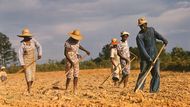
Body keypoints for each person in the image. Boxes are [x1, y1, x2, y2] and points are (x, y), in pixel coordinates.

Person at [134, 17, 168, 93]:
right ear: (139, 26)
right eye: (140, 25)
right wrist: (149, 59)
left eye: (144, 24)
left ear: (146, 24)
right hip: (145, 59)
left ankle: (154, 91)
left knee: (157, 74)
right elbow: (142, 50)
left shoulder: (151, 30)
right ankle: (138, 90)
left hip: (155, 56)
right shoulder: (139, 36)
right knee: (143, 74)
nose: (142, 26)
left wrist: (164, 39)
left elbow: (158, 35)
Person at [64, 29, 90, 94]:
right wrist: (71, 62)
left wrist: (86, 50)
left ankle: (74, 89)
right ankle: (66, 88)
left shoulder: (77, 41)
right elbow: (65, 53)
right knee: (69, 75)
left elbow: (79, 46)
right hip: (69, 59)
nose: (76, 39)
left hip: (76, 59)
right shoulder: (67, 42)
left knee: (76, 74)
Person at [18, 28, 42, 94]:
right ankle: (29, 90)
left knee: (32, 77)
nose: (26, 37)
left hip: (33, 61)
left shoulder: (33, 41)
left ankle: (29, 88)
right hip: (26, 61)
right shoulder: (22, 44)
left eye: (27, 36)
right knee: (28, 75)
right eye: (25, 36)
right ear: (23, 37)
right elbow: (20, 54)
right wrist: (22, 64)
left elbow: (39, 46)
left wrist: (39, 54)